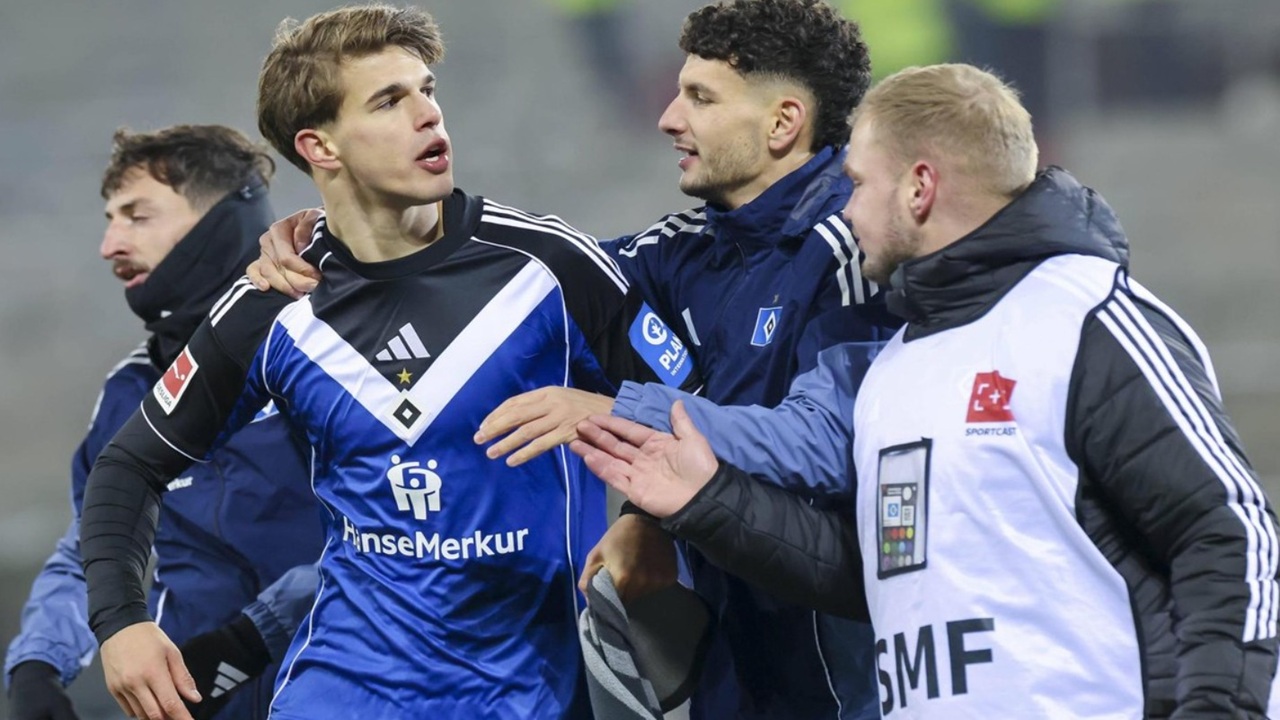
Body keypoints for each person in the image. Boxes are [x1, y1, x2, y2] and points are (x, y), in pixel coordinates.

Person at [570, 63, 1280, 718]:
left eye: (857, 184)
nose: (845, 212)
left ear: (919, 188)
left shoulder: (1085, 319)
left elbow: (1230, 535)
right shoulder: (893, 366)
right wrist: (705, 499)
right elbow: (874, 578)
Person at [250, 1, 895, 717]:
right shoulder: (680, 252)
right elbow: (510, 273)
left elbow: (824, 446)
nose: (669, 118)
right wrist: (337, 235)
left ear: (782, 124)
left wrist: (623, 420)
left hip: (838, 673)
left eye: (700, 98)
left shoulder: (857, 249)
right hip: (733, 662)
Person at [78, 6, 700, 720]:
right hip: (342, 689)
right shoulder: (274, 303)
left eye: (427, 90)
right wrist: (120, 622)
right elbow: (129, 465)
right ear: (320, 146)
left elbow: (701, 412)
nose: (428, 114)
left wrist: (648, 521)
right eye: (388, 101)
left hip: (531, 689)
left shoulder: (549, 266)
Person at [4, 125, 325, 720]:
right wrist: (37, 665)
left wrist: (253, 637)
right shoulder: (128, 390)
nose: (109, 245)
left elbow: (405, 539)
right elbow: (95, 548)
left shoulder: (331, 356)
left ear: (221, 223)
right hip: (197, 705)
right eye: (110, 220)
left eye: (137, 216)